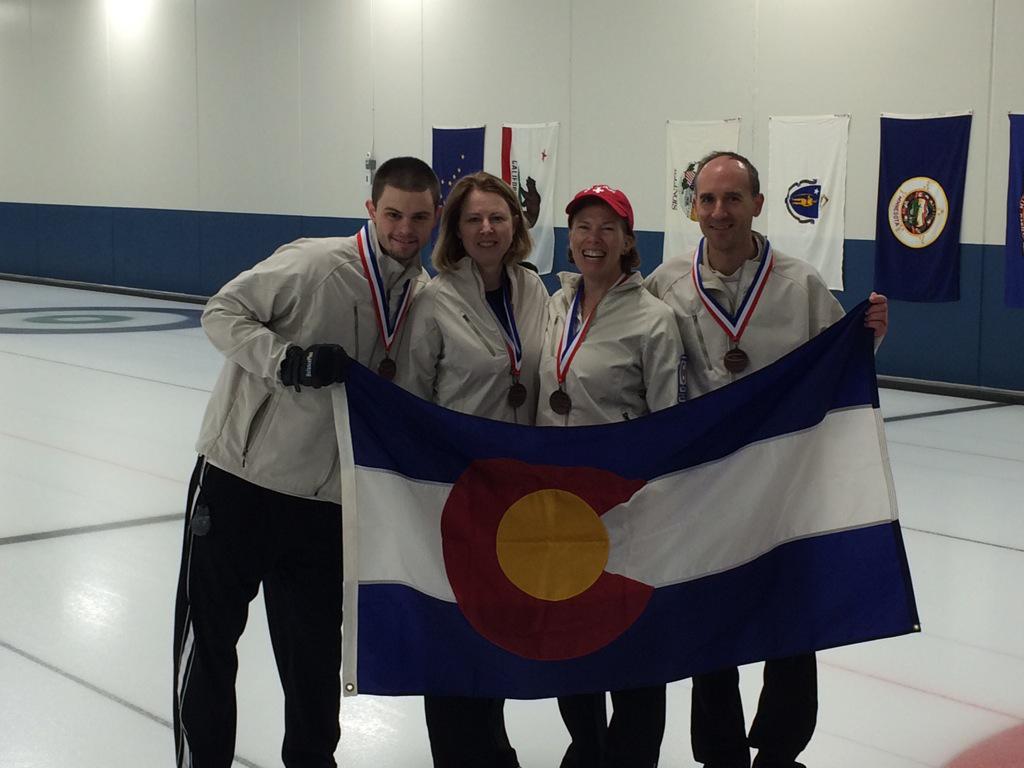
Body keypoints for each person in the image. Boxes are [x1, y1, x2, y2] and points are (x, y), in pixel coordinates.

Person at [172, 157, 441, 768]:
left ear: (435, 218)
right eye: (393, 213)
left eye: (419, 217)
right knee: (211, 648)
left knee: (316, 668)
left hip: (326, 509)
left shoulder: (423, 298)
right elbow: (221, 312)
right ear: (371, 209)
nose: (405, 229)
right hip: (240, 485)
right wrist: (284, 359)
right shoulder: (316, 264)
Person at [645, 150, 889, 768]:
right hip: (705, 491)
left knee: (792, 620)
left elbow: (838, 368)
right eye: (707, 200)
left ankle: (781, 749)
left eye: (733, 199)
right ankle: (720, 753)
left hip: (785, 488)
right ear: (692, 207)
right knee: (712, 620)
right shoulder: (666, 284)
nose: (719, 212)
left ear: (757, 203)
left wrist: (870, 341)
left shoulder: (800, 284)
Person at [396, 171, 549, 766]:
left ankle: (492, 741)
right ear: (455, 231)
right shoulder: (432, 300)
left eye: (498, 218)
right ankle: (459, 753)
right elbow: (411, 400)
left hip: (521, 491)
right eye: (473, 219)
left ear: (516, 226)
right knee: (455, 626)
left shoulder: (535, 292)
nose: (487, 229)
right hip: (456, 493)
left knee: (500, 624)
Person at [536, 184, 684, 768]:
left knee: (632, 643)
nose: (592, 240)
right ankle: (588, 746)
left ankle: (632, 753)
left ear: (628, 242)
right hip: (556, 506)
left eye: (606, 229)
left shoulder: (653, 319)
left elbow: (667, 420)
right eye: (581, 228)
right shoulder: (555, 303)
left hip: (626, 512)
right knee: (570, 636)